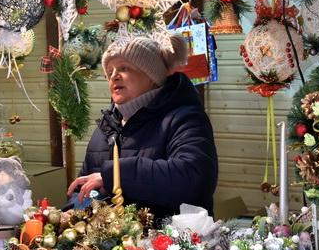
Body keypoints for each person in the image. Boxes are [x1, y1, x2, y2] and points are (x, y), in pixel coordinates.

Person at [66, 35, 218, 220]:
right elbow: (83, 187)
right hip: (109, 237)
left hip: (172, 236)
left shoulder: (184, 118)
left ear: (152, 76)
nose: (114, 76)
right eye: (110, 71)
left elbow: (193, 180)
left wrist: (116, 175)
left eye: (124, 68)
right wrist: (73, 214)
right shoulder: (105, 128)